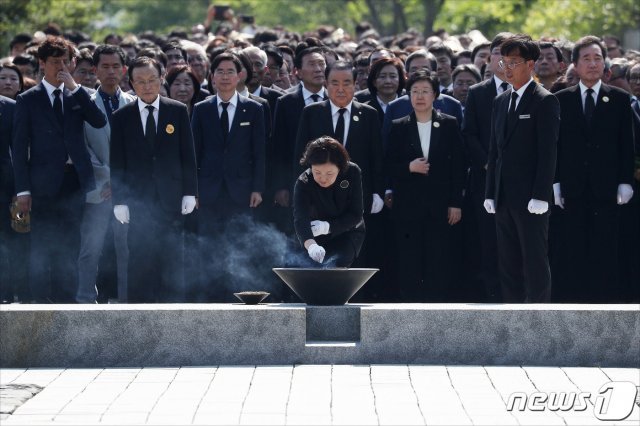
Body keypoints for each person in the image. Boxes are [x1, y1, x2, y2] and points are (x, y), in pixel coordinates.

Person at [12, 36, 107, 303]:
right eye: (55, 62)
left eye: (66, 61)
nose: (61, 67)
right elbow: (19, 150)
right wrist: (23, 190)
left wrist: (75, 88)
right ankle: (40, 303)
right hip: (42, 183)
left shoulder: (78, 94)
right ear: (42, 64)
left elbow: (98, 121)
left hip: (74, 182)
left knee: (70, 245)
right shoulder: (28, 99)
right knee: (42, 245)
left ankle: (68, 302)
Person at [552, 36, 635, 303]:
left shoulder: (620, 99)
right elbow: (556, 146)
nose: (592, 64)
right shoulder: (561, 99)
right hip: (572, 189)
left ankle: (606, 307)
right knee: (573, 250)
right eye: (586, 58)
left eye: (598, 58)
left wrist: (625, 180)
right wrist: (555, 183)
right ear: (574, 65)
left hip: (607, 189)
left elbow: (627, 144)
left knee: (605, 251)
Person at [110, 56, 198, 303]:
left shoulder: (177, 110)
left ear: (161, 80)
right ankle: (138, 315)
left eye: (151, 80)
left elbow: (187, 155)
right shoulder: (121, 116)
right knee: (139, 257)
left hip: (171, 197)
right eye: (140, 81)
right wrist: (119, 200)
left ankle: (173, 313)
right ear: (131, 83)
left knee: (172, 258)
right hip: (138, 201)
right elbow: (117, 162)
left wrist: (190, 192)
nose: (146, 86)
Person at [484, 34, 560, 303]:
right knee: (508, 261)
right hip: (503, 195)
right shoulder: (500, 100)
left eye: (514, 62)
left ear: (530, 64)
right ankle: (512, 315)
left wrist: (541, 194)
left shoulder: (544, 100)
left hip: (530, 197)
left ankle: (538, 316)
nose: (507, 68)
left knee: (534, 260)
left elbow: (548, 153)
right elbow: (495, 151)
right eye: (504, 62)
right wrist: (490, 192)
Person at [190, 52, 265, 302]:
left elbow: (260, 152)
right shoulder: (201, 109)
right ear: (211, 77)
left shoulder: (254, 109)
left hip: (241, 190)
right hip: (208, 191)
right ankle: (211, 297)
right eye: (220, 72)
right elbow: (194, 153)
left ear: (240, 75)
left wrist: (258, 188)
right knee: (210, 246)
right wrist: (195, 190)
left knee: (240, 244)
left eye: (230, 71)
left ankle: (239, 295)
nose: (225, 76)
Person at [386, 70, 465, 302]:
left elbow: (459, 166)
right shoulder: (398, 126)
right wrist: (409, 167)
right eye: (414, 91)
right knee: (409, 262)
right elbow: (387, 165)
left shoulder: (449, 124)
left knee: (438, 261)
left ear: (435, 95)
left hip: (440, 206)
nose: (419, 96)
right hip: (408, 207)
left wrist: (455, 203)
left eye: (425, 91)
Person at [76, 44, 135, 304]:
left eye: (115, 67)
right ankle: (86, 297)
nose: (111, 72)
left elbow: (140, 151)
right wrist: (109, 179)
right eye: (104, 67)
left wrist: (123, 183)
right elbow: (81, 149)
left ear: (124, 70)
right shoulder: (83, 104)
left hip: (128, 192)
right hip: (99, 189)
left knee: (126, 249)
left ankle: (126, 300)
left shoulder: (134, 102)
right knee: (91, 249)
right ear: (95, 70)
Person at [461, 32, 513, 302]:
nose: (503, 61)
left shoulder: (527, 91)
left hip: (518, 183)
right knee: (488, 244)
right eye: (497, 54)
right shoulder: (477, 93)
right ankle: (492, 297)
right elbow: (469, 134)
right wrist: (488, 164)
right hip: (485, 181)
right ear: (489, 60)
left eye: (509, 55)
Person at [293, 136, 365, 267]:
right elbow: (300, 219)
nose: (323, 179)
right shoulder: (304, 181)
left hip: (347, 232)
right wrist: (311, 246)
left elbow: (356, 214)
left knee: (335, 264)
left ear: (340, 167)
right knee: (303, 267)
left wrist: (328, 226)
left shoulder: (353, 172)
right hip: (315, 236)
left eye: (329, 173)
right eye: (317, 172)